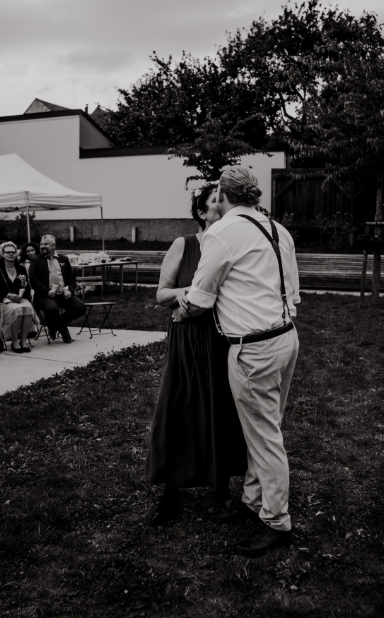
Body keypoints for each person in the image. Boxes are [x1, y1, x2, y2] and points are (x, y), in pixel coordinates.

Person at [180, 166, 300, 556]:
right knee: (264, 428)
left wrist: (183, 309)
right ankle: (252, 501)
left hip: (254, 348)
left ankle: (277, 520)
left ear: (224, 195)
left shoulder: (223, 232)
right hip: (285, 337)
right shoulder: (277, 229)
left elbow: (200, 297)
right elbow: (293, 293)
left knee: (265, 437)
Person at [145, 182, 247, 525]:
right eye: (216, 200)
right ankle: (171, 488)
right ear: (202, 213)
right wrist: (193, 291)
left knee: (219, 410)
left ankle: (221, 488)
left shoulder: (234, 242)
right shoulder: (183, 245)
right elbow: (161, 295)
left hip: (222, 337)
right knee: (181, 406)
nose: (223, 203)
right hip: (188, 337)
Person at [29, 235, 85, 343]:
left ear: (54, 246)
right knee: (52, 309)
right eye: (41, 244)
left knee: (80, 307)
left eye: (46, 244)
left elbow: (72, 279)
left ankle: (54, 325)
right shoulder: (36, 260)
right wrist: (47, 291)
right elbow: (33, 280)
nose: (42, 246)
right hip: (45, 296)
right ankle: (65, 333)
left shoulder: (64, 259)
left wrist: (70, 290)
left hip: (63, 294)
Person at [0, 241, 35, 353]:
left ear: (16, 254)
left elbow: (27, 289)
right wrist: (9, 294)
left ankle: (23, 341)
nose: (11, 254)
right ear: (2, 254)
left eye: (13, 252)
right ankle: (15, 341)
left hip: (18, 300)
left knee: (29, 308)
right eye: (8, 252)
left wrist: (24, 284)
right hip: (2, 302)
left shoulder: (21, 268)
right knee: (17, 309)